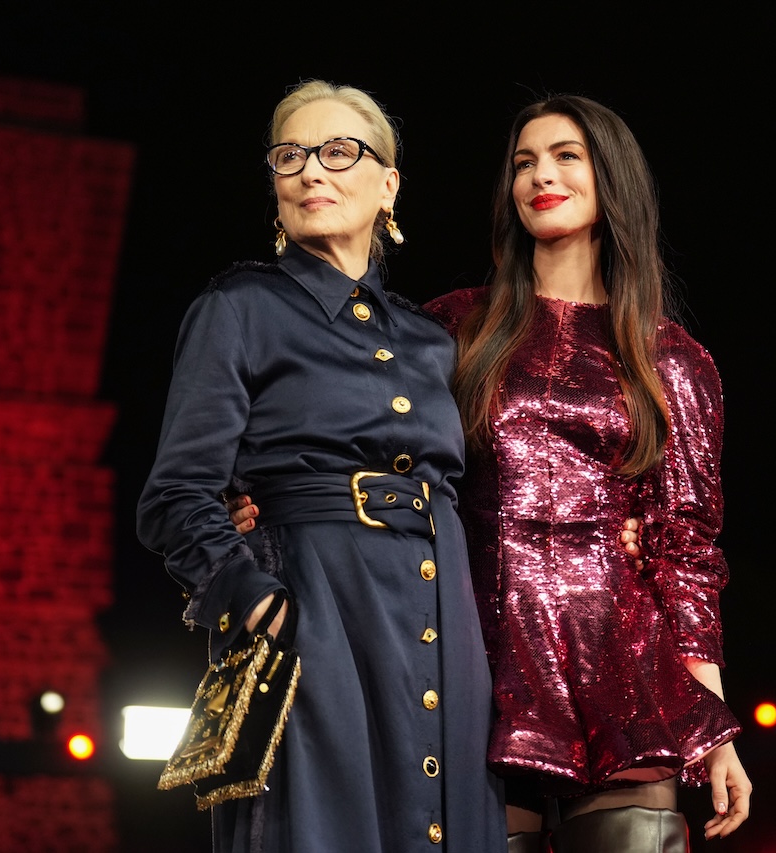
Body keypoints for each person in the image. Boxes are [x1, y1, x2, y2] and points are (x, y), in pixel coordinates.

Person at [136, 80, 504, 853]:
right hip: (315, 617)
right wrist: (261, 603)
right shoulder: (239, 307)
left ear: (388, 184)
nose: (311, 171)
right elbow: (174, 496)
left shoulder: (433, 341)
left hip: (443, 624)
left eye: (339, 152)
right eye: (291, 155)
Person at [423, 95, 752, 852]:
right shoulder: (451, 328)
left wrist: (715, 729)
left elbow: (687, 554)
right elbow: (377, 450)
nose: (542, 175)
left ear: (611, 178)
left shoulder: (672, 359)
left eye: (566, 156)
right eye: (524, 162)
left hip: (623, 674)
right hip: (474, 667)